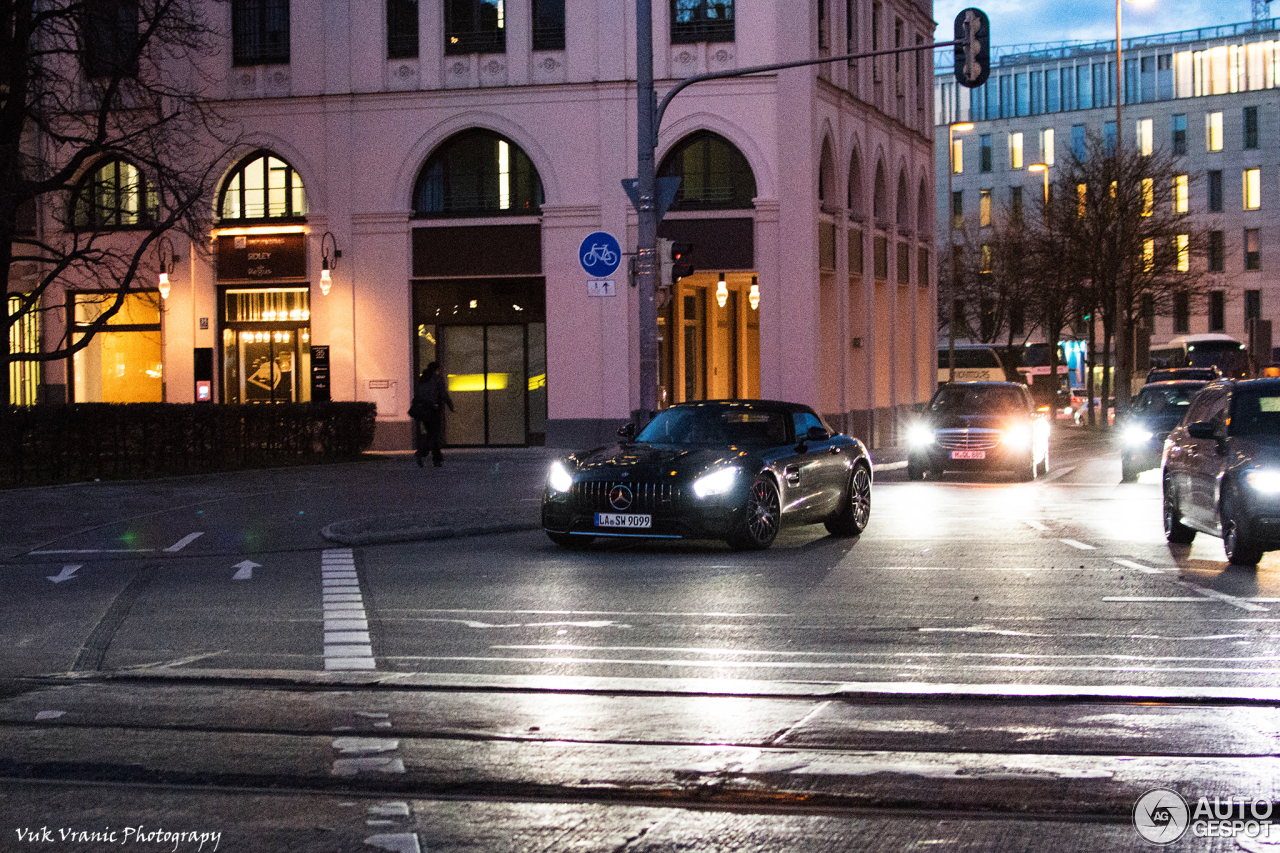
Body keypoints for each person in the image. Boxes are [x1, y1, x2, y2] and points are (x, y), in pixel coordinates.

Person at [411, 362, 454, 467]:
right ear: (437, 369)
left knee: (432, 434)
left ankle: (436, 459)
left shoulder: (423, 378)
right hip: (434, 410)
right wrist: (450, 404)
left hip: (423, 410)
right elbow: (443, 394)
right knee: (434, 434)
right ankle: (422, 453)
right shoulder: (438, 379)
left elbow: (418, 394)